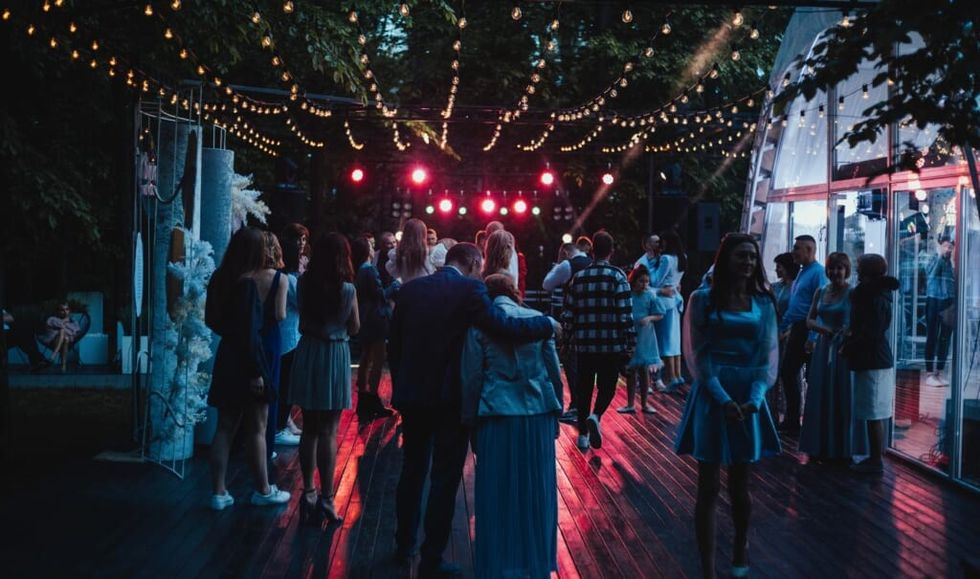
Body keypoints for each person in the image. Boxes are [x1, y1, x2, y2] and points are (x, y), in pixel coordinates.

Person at [389, 242, 557, 578]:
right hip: (448, 400)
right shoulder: (470, 290)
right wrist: (547, 325)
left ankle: (403, 544)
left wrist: (400, 386)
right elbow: (503, 326)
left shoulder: (410, 291)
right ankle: (431, 558)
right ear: (474, 263)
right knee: (443, 479)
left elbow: (395, 345)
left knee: (411, 472)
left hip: (413, 396)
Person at [674, 233, 781, 579]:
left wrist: (755, 399)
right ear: (725, 260)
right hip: (713, 392)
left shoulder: (763, 302)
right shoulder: (702, 299)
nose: (748, 262)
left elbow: (766, 357)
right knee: (708, 486)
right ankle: (707, 567)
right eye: (741, 256)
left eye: (752, 256)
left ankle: (740, 545)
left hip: (749, 395)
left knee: (740, 485)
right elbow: (698, 355)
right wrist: (722, 398)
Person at [461, 274, 562, 579]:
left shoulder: (479, 326)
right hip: (537, 416)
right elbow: (553, 372)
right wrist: (556, 412)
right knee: (535, 491)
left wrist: (470, 421)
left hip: (497, 415)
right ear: (514, 292)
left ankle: (501, 561)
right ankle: (534, 559)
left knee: (497, 492)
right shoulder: (538, 320)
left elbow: (472, 378)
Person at [205, 226, 290, 511]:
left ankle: (218, 492)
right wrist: (256, 372)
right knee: (257, 428)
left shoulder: (219, 278)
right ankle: (263, 490)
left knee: (224, 427)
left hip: (226, 356)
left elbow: (211, 319)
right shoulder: (247, 285)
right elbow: (250, 332)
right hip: (249, 361)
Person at [288, 232, 360, 525]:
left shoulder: (304, 283)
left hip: (309, 351)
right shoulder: (348, 289)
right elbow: (355, 327)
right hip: (335, 354)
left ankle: (308, 492)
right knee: (329, 430)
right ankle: (328, 498)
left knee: (309, 427)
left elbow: (302, 318)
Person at [563, 231, 635, 451]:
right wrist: (630, 343)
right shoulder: (617, 277)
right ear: (611, 251)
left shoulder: (578, 277)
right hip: (610, 344)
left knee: (583, 389)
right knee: (608, 387)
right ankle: (596, 415)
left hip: (584, 344)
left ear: (592, 251)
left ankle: (583, 436)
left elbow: (568, 313)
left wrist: (566, 339)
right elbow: (625, 314)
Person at [798, 252, 867, 462]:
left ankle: (844, 448)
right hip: (823, 348)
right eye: (832, 268)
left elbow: (859, 321)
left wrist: (846, 332)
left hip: (843, 349)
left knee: (843, 394)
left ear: (847, 270)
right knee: (821, 394)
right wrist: (824, 330)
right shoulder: (821, 291)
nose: (835, 272)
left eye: (839, 268)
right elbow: (809, 320)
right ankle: (820, 446)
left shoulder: (852, 293)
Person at [842, 254, 899, 474]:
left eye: (860, 266)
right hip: (874, 358)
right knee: (873, 411)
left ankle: (875, 460)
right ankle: (874, 458)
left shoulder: (872, 297)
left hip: (873, 359)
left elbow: (870, 332)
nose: (856, 269)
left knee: (873, 411)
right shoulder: (878, 295)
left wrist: (850, 345)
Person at [778, 235, 825, 433]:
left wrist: (812, 337)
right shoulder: (803, 272)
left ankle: (808, 422)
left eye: (797, 248)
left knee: (808, 377)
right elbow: (796, 304)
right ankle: (793, 419)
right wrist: (783, 326)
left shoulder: (818, 273)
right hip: (798, 328)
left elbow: (821, 306)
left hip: (807, 330)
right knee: (788, 372)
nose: (793, 252)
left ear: (809, 250)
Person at [542, 241, 592, 422]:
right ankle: (585, 407)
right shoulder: (592, 263)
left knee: (571, 361)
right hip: (593, 320)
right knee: (587, 364)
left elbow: (547, 285)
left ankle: (576, 406)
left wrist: (558, 264)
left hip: (573, 318)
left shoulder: (567, 264)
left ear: (565, 252)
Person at [352, 237, 394, 420]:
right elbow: (380, 295)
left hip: (366, 317)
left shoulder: (359, 269)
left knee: (366, 357)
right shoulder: (369, 270)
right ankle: (372, 397)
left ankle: (363, 395)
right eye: (370, 245)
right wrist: (394, 286)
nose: (373, 247)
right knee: (378, 359)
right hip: (376, 319)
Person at [274, 223, 309, 446]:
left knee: (285, 383)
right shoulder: (290, 278)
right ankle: (278, 428)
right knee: (285, 384)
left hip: (289, 334)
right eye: (299, 240)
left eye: (304, 240)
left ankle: (283, 423)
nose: (302, 244)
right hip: (288, 336)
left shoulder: (287, 275)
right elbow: (303, 302)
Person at [617, 264, 665, 415]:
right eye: (641, 281)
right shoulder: (628, 295)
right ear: (634, 280)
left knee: (644, 370)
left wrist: (649, 318)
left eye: (647, 281)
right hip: (631, 334)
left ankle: (644, 404)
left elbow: (660, 313)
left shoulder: (650, 295)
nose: (644, 285)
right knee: (631, 370)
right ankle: (630, 404)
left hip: (645, 336)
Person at [260, 231, 289, 472]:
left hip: (249, 335)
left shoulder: (246, 276)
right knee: (270, 394)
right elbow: (280, 314)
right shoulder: (279, 279)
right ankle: (266, 448)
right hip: (270, 336)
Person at [768, 252, 800, 416]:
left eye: (779, 267)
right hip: (774, 333)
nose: (776, 270)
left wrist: (787, 332)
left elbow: (797, 312)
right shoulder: (775, 286)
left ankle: (789, 411)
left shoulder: (796, 287)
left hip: (788, 334)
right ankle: (772, 409)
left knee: (787, 372)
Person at [656, 228, 687, 391]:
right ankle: (677, 375)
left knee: (666, 341)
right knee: (674, 339)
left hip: (664, 301)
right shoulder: (683, 258)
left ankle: (670, 378)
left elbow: (656, 280)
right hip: (676, 300)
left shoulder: (666, 259)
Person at [923, 237, 955, 386]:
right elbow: (930, 277)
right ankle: (929, 372)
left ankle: (939, 372)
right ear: (940, 246)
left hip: (948, 301)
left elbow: (954, 281)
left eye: (950, 247)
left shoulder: (952, 263)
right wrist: (940, 257)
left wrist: (951, 262)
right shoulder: (933, 259)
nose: (948, 249)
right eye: (946, 246)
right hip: (934, 299)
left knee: (945, 338)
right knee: (932, 336)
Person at [387, 218, 434, 284]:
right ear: (423, 234)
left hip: (407, 288)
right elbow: (431, 273)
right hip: (424, 287)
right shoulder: (427, 252)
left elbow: (393, 272)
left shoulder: (398, 253)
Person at [43, 302, 81, 372]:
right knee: (62, 331)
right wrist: (65, 323)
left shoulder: (74, 322)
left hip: (67, 341)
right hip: (53, 341)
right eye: (62, 310)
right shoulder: (52, 319)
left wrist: (65, 327)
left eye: (67, 309)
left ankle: (53, 357)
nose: (65, 312)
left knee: (65, 338)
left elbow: (76, 332)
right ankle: (63, 366)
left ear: (69, 310)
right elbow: (58, 325)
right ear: (58, 311)